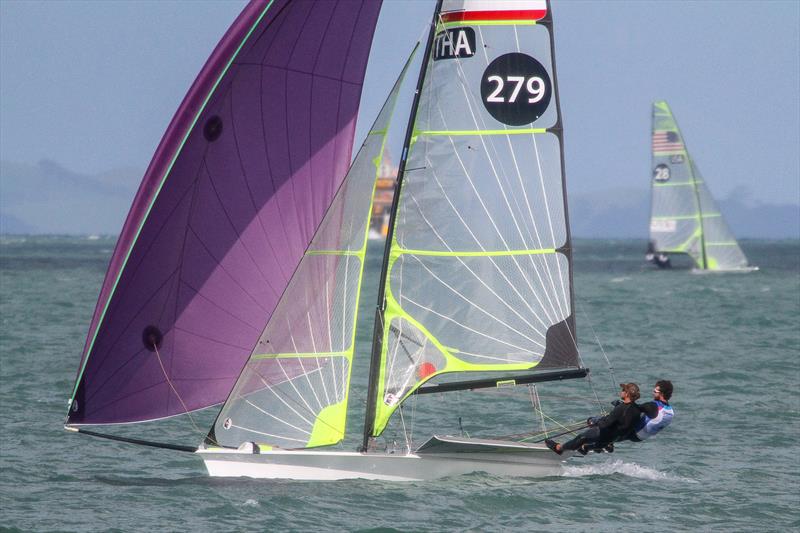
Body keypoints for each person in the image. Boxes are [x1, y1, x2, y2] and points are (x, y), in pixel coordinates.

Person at [545, 383, 641, 456]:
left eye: (623, 390)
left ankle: (559, 448)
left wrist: (595, 421)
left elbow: (605, 424)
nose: (621, 391)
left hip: (606, 434)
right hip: (615, 437)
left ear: (627, 393)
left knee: (582, 437)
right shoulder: (637, 409)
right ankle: (588, 447)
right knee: (596, 428)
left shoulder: (620, 408)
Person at [586, 379, 675, 453]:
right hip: (641, 437)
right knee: (616, 429)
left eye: (655, 391)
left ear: (662, 393)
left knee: (603, 422)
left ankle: (589, 443)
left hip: (632, 432)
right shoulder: (670, 411)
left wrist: (619, 405)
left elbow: (633, 408)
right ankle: (607, 444)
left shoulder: (653, 406)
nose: (653, 392)